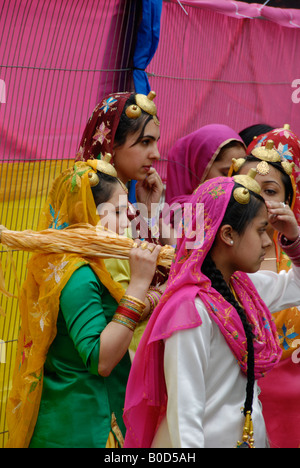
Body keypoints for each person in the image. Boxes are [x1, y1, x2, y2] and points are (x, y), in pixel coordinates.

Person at [123, 172, 300, 448]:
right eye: (261, 231)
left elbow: (296, 288)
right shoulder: (190, 311)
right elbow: (186, 419)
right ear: (228, 234)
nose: (268, 242)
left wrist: (295, 237)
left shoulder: (244, 289)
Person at [5, 157, 161, 448]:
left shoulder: (74, 263)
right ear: (87, 215)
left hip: (71, 416)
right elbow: (100, 359)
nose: (128, 215)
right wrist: (139, 286)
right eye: (115, 210)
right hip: (82, 426)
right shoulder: (78, 275)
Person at [75, 91, 168, 353]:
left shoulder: (126, 209)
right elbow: (120, 306)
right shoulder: (95, 211)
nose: (156, 154)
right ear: (110, 145)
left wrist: (147, 213)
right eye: (145, 142)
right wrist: (167, 289)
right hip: (117, 365)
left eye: (156, 142)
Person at [231, 132, 300, 448]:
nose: (257, 200)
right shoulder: (215, 271)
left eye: (269, 191)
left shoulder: (272, 275)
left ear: (290, 201)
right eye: (247, 190)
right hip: (228, 418)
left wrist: (295, 244)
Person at [164, 123, 246, 208]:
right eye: (226, 173)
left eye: (241, 174)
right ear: (198, 168)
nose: (236, 181)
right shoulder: (174, 214)